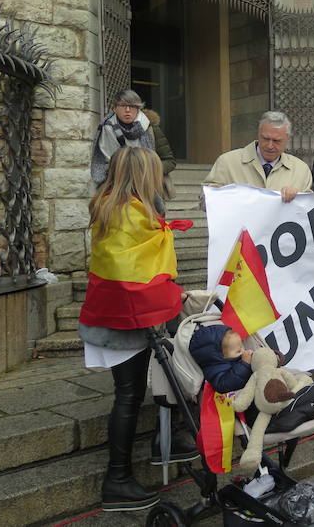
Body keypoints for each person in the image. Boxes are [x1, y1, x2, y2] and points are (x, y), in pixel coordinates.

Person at [77, 147, 190, 512]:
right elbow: (133, 274)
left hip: (112, 316)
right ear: (144, 174)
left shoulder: (110, 204)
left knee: (130, 393)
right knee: (128, 396)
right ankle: (118, 480)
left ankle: (150, 453)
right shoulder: (130, 213)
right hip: (124, 322)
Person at [203, 111, 311, 203]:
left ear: (288, 139)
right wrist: (232, 195)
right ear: (258, 134)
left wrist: (298, 197)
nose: (269, 146)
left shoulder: (300, 170)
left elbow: (308, 208)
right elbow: (205, 202)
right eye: (265, 138)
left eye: (277, 141)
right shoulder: (227, 162)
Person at [91, 89, 176, 189]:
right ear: (114, 108)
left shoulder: (150, 128)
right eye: (123, 106)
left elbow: (169, 161)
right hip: (116, 189)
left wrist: (148, 170)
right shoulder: (106, 129)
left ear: (138, 108)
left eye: (132, 106)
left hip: (148, 188)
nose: (127, 110)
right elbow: (102, 165)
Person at [189, 324, 254, 393]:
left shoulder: (231, 356)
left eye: (241, 346)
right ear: (221, 356)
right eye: (238, 351)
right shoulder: (214, 368)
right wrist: (244, 364)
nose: (243, 351)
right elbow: (224, 385)